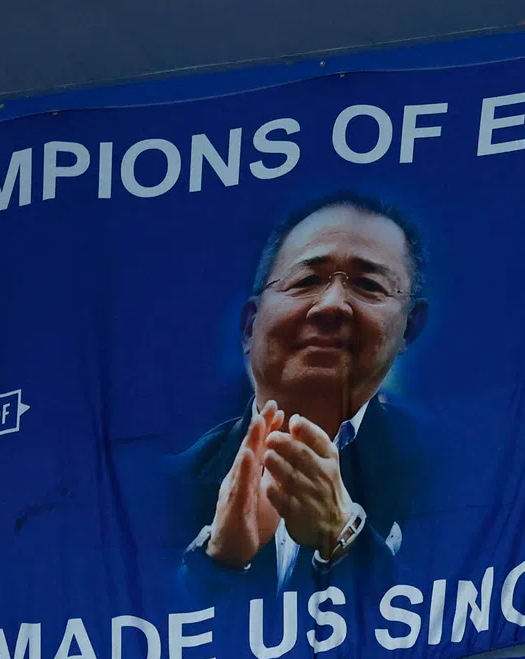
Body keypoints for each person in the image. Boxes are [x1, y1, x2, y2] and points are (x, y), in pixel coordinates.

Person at [172, 193, 432, 600]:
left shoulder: (458, 476)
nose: (332, 306)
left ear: (409, 329)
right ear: (249, 326)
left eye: (367, 285)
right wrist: (217, 562)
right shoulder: (168, 487)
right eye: (306, 281)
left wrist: (347, 538)